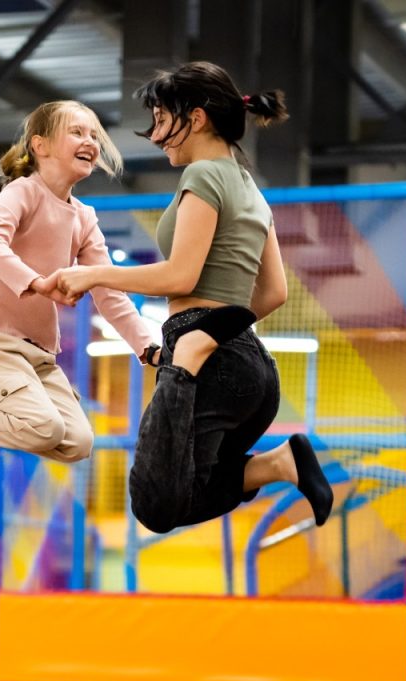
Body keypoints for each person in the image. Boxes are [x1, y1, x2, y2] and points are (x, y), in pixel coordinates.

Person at [55, 61, 333, 534]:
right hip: (253, 370)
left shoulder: (203, 176)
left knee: (155, 502)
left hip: (203, 357)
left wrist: (93, 275)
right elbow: (274, 292)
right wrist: (225, 329)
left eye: (163, 120)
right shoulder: (251, 189)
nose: (158, 135)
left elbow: (182, 275)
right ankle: (278, 464)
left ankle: (269, 452)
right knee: (184, 492)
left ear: (197, 118)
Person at [0, 100, 157, 479]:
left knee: (77, 442)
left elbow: (108, 290)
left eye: (94, 135)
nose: (89, 140)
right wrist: (37, 283)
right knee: (46, 427)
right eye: (77, 132)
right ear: (40, 146)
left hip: (37, 358)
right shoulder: (23, 192)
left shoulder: (85, 218)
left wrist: (146, 347)